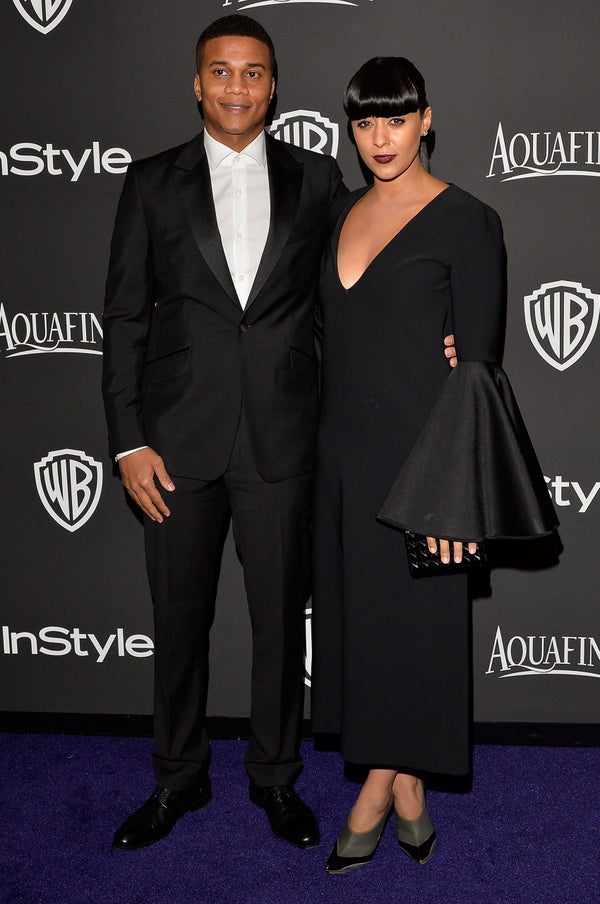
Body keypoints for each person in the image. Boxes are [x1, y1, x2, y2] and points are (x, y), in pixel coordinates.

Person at [102, 14, 346, 852]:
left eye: (253, 72)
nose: (236, 86)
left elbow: (354, 289)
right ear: (197, 83)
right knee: (177, 621)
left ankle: (276, 777)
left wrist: (437, 327)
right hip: (174, 443)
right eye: (221, 71)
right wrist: (128, 440)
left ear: (273, 87)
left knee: (279, 624)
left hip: (283, 435)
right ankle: (178, 777)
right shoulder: (150, 181)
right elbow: (125, 318)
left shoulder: (319, 178)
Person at [311, 56, 557, 874]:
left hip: (422, 462)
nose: (380, 137)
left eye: (397, 118)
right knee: (366, 629)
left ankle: (376, 791)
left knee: (413, 631)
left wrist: (456, 497)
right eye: (364, 121)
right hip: (341, 457)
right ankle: (409, 784)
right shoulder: (338, 210)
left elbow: (477, 370)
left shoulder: (468, 220)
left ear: (427, 119)